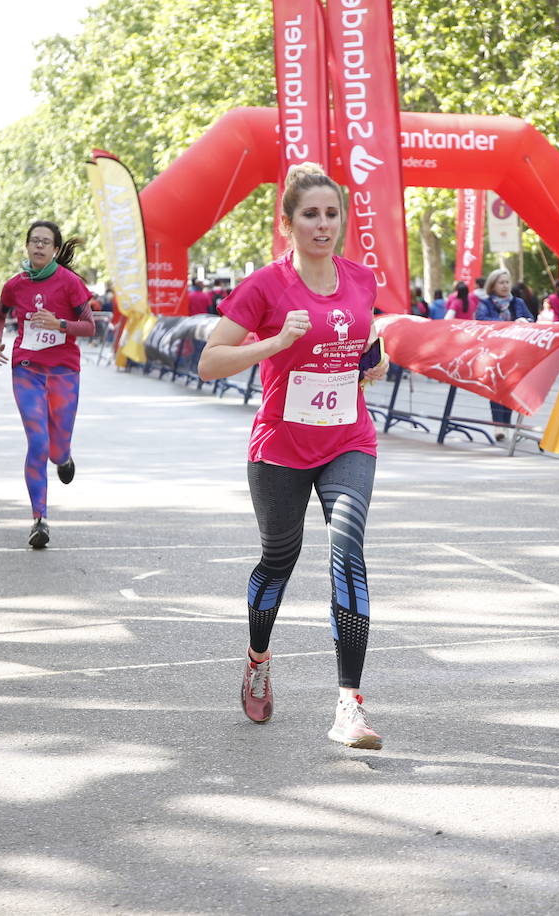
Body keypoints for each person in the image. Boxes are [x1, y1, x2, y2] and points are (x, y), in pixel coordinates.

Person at [198, 162, 389, 750]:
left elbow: (370, 352)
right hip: (281, 447)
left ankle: (349, 706)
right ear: (288, 224)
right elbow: (210, 361)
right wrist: (277, 342)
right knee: (278, 561)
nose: (323, 224)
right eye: (310, 214)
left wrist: (374, 361)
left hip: (347, 440)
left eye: (332, 214)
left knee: (346, 552)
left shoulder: (361, 280)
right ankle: (258, 655)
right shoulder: (265, 286)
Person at [0, 220, 97, 549]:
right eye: (33, 241)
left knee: (55, 448)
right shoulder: (15, 285)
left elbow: (90, 328)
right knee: (37, 443)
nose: (38, 246)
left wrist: (59, 324)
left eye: (45, 242)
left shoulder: (70, 283)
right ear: (27, 246)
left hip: (64, 371)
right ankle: (40, 519)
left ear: (54, 249)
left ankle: (63, 457)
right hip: (27, 369)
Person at [475, 268, 533, 438]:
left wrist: (524, 321)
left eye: (507, 282)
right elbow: (481, 321)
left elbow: (531, 320)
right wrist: (508, 324)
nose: (505, 285)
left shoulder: (518, 303)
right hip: (494, 352)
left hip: (515, 353)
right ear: (492, 285)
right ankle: (498, 426)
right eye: (501, 282)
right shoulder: (485, 304)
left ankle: (506, 424)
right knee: (495, 388)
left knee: (510, 388)